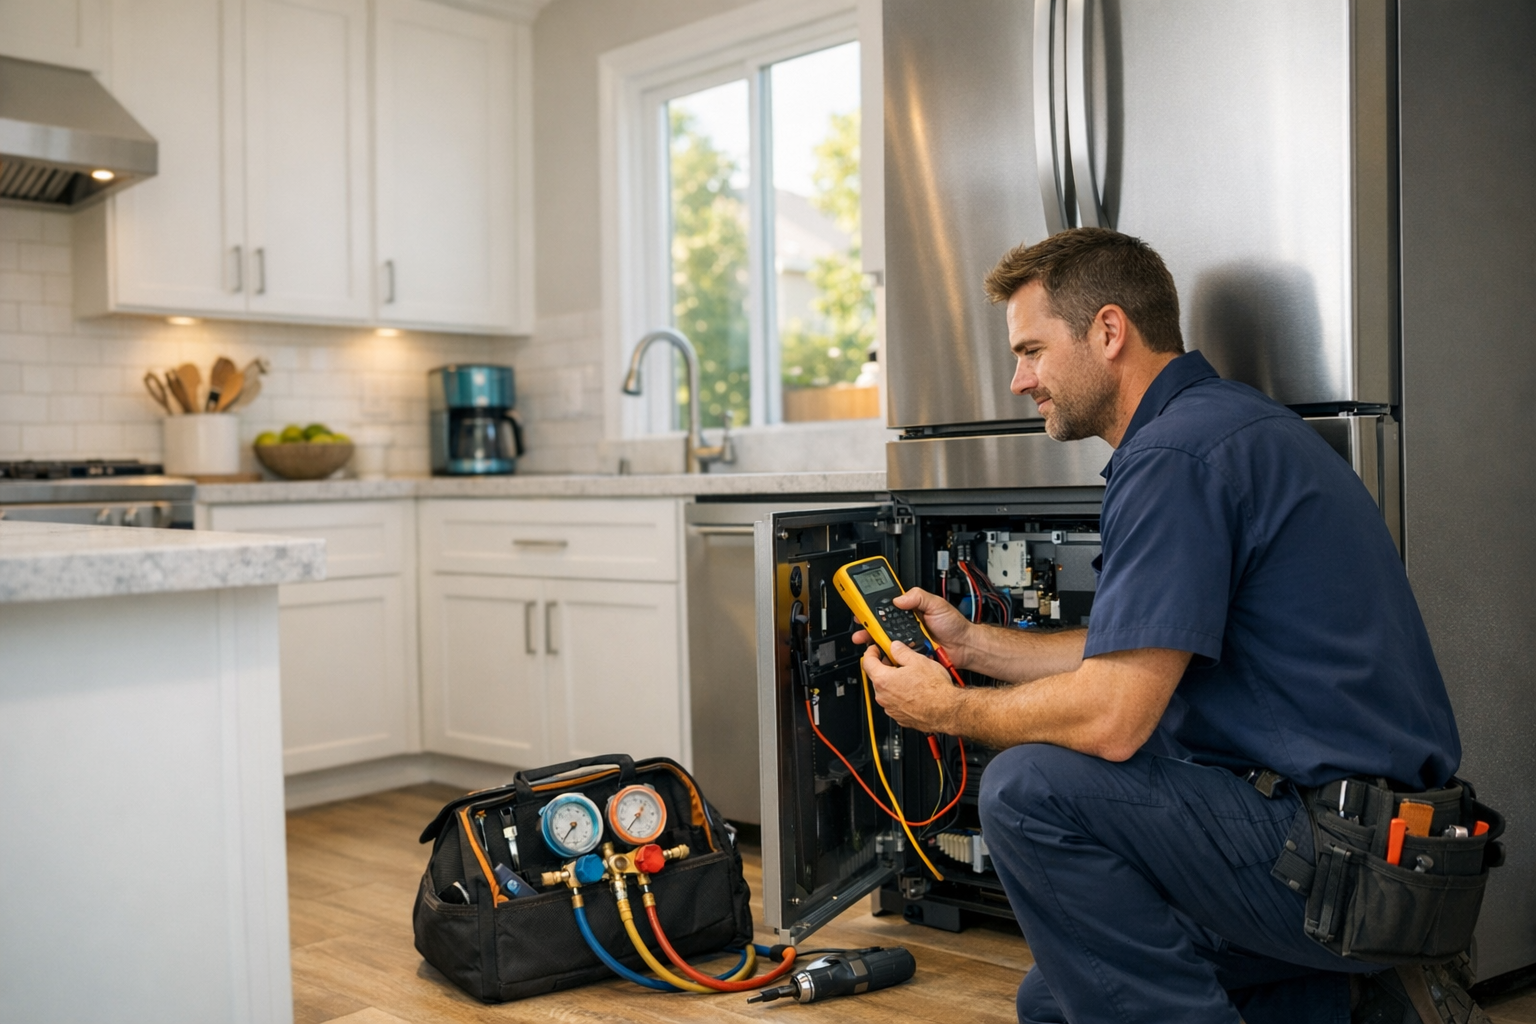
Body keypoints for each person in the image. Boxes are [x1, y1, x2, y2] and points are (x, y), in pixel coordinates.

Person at [857, 228, 1479, 1024]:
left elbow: (1114, 717)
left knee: (1026, 789)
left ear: (1109, 332)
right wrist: (970, 645)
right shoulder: (1219, 428)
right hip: (1391, 858)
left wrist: (948, 712)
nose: (1019, 381)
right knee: (1054, 1001)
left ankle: (1354, 979)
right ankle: (1364, 1000)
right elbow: (1133, 651)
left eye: (1033, 351)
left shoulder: (1175, 457)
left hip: (1343, 863)